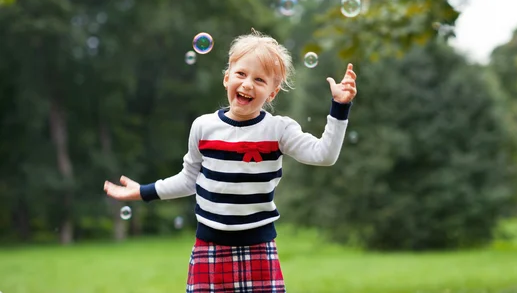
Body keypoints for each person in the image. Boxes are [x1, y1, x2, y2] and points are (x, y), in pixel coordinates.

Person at [103, 29, 358, 293]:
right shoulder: (203, 127)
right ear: (227, 79)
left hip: (259, 247)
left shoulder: (279, 130)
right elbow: (189, 180)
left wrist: (339, 108)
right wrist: (143, 191)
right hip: (210, 247)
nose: (248, 84)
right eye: (241, 74)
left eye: (260, 80)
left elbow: (324, 155)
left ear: (272, 93)